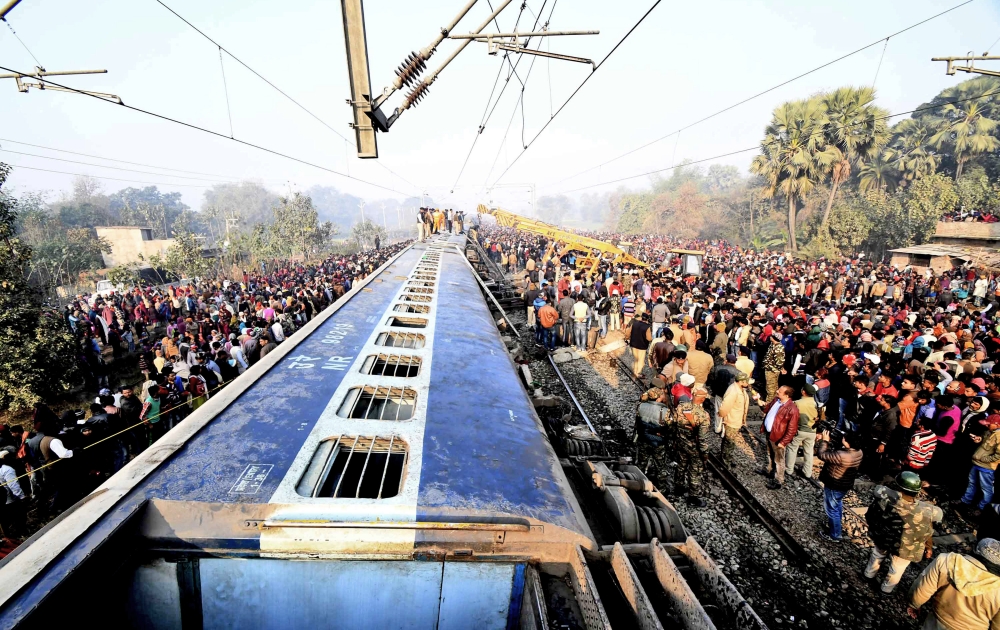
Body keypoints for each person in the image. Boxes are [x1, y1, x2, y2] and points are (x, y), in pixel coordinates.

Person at [864, 471, 943, 594]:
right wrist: (928, 547)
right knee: (897, 568)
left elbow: (871, 515)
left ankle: (868, 575)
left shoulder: (884, 498)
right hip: (906, 547)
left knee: (877, 555)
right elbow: (928, 530)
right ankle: (886, 589)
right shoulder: (928, 511)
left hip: (884, 537)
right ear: (917, 491)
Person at [909, 538, 1000, 628]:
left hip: (937, 621)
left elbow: (923, 587)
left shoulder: (946, 560)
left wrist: (914, 604)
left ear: (976, 549)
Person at [817, 428, 863, 542]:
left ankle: (835, 535)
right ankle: (835, 527)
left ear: (847, 443)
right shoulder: (859, 452)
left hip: (834, 484)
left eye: (844, 438)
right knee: (837, 506)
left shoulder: (842, 455)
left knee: (832, 509)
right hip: (844, 484)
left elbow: (822, 454)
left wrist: (825, 441)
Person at [675, 386, 712, 507]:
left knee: (681, 465)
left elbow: (674, 424)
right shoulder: (703, 415)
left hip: (681, 443)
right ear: (702, 399)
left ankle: (678, 488)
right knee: (695, 472)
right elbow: (702, 438)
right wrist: (705, 453)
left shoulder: (681, 407)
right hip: (694, 449)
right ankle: (693, 497)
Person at [758, 385, 799, 489]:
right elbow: (766, 409)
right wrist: (760, 403)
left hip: (778, 438)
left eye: (780, 391)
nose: (777, 391)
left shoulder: (792, 409)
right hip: (770, 433)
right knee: (769, 453)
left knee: (779, 460)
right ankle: (770, 470)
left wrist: (783, 442)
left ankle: (778, 480)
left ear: (787, 395)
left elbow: (792, 429)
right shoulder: (776, 400)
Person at [959, 413, 1000, 516]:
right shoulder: (990, 431)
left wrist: (984, 459)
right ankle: (965, 501)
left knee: (986, 489)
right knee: (971, 483)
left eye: (989, 424)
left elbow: (998, 455)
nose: (986, 425)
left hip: (987, 467)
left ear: (997, 424)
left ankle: (982, 508)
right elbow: (984, 441)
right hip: (977, 463)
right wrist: (979, 439)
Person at [719, 372, 754, 468]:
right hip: (732, 420)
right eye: (747, 381)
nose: (748, 383)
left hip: (736, 420)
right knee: (729, 442)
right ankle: (725, 461)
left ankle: (726, 457)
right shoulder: (733, 391)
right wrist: (722, 415)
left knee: (729, 441)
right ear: (742, 382)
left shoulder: (741, 389)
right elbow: (725, 406)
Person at [786, 383, 819, 480]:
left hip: (800, 430)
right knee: (808, 451)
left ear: (803, 392)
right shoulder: (817, 404)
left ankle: (789, 469)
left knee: (792, 448)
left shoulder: (797, 403)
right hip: (812, 431)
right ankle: (807, 472)